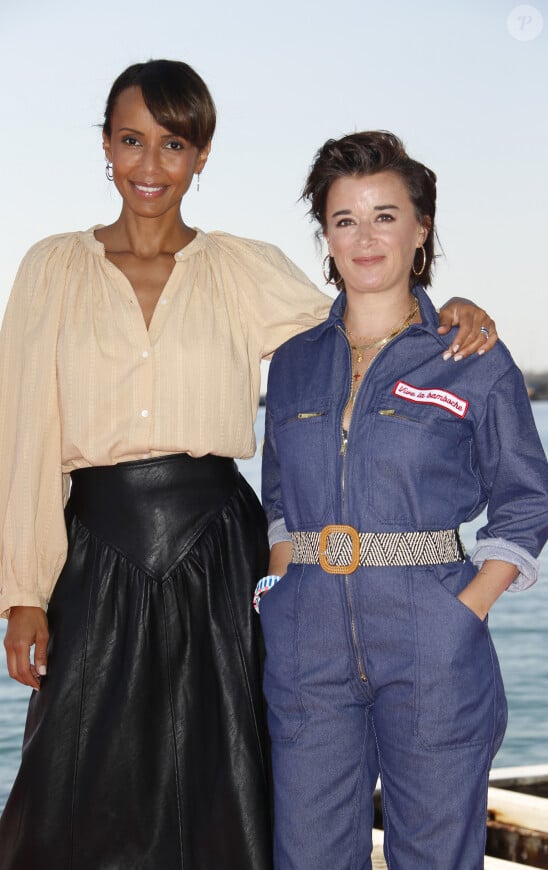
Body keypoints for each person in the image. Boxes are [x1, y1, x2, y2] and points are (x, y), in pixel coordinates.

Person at [0, 59, 496, 870]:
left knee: (226, 776)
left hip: (218, 548)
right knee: (72, 779)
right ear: (106, 148)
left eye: (174, 144)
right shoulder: (52, 268)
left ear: (202, 155)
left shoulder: (239, 266)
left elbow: (361, 315)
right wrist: (20, 593)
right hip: (96, 550)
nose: (151, 166)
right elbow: (16, 433)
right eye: (131, 141)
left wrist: (448, 310)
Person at [259, 131, 548, 870]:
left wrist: (467, 610)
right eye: (345, 218)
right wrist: (280, 589)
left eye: (386, 216)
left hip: (433, 637)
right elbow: (280, 497)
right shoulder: (292, 363)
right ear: (325, 233)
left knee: (436, 859)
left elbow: (525, 498)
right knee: (310, 857)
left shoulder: (471, 355)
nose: (365, 237)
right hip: (306, 642)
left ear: (421, 230)